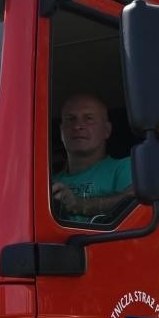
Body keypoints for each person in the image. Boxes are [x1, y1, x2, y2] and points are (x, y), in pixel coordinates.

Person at [51, 93, 133, 222]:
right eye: (71, 118)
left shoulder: (124, 168)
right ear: (61, 131)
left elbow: (136, 201)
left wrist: (78, 204)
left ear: (107, 130)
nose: (77, 126)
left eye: (88, 118)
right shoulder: (48, 184)